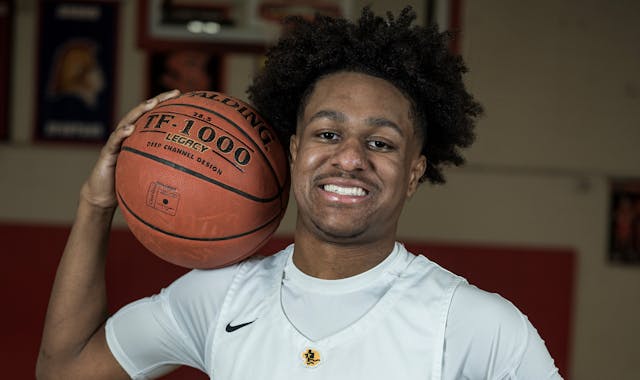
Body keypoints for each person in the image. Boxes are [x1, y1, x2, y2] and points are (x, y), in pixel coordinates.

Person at [36, 6, 562, 379]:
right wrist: (96, 204)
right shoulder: (220, 298)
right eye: (328, 134)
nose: (350, 157)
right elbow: (65, 370)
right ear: (293, 150)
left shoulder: (475, 324)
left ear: (414, 172)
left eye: (380, 142)